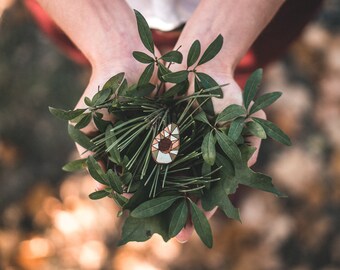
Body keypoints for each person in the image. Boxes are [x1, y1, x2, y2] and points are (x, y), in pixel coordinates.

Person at [25, 0, 323, 243]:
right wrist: (108, 42)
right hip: (85, 13)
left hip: (245, 16)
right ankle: (220, 175)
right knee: (223, 96)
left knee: (226, 97)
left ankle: (222, 175)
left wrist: (219, 45)